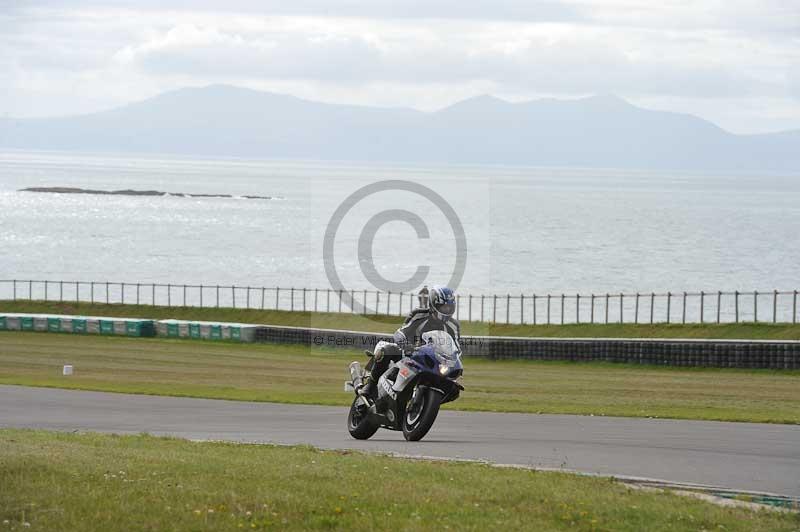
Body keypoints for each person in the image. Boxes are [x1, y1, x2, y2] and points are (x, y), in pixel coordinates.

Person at [359, 285, 461, 399]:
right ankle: (370, 386)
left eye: (449, 307)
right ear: (434, 304)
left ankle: (424, 402)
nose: (447, 310)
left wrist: (454, 362)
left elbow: (456, 348)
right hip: (410, 353)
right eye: (443, 307)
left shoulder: (454, 325)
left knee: (453, 390)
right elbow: (401, 333)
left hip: (433, 361)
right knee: (385, 350)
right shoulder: (419, 314)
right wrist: (406, 346)